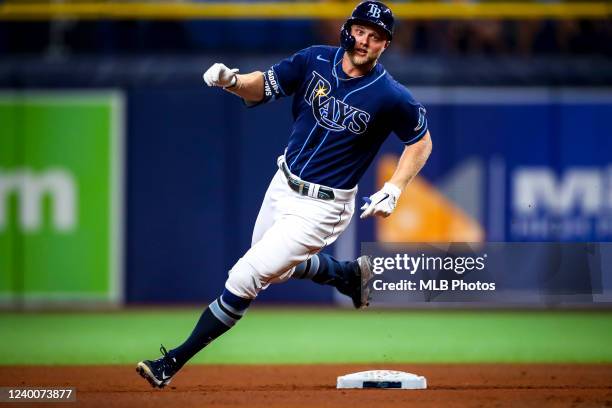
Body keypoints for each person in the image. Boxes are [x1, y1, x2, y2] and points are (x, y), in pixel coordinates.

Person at [136, 0, 432, 389]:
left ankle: (171, 361)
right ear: (348, 29)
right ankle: (347, 276)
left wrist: (395, 187)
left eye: (375, 37)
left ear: (385, 46)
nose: (364, 41)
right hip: (283, 183)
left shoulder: (390, 95)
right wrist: (232, 81)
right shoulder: (314, 60)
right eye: (360, 30)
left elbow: (421, 142)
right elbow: (264, 85)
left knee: (246, 276)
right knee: (274, 271)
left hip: (325, 207)